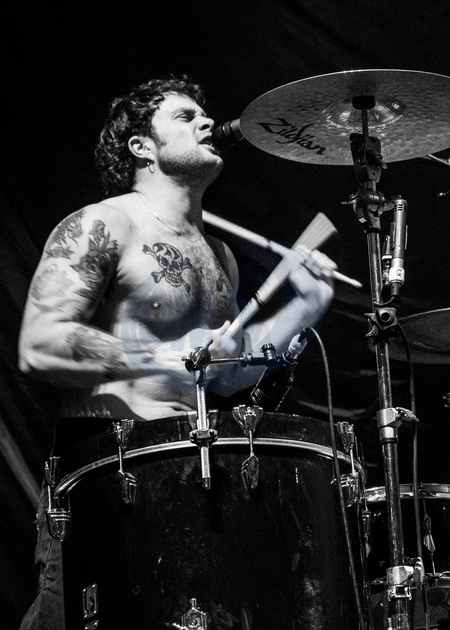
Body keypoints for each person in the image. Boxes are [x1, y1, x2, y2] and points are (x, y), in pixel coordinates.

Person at [18, 75, 335, 629]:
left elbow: (227, 376)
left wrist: (303, 309)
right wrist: (165, 356)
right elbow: (39, 344)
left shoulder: (219, 255)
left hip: (192, 472)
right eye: (185, 117)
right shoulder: (104, 223)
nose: (207, 122)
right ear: (142, 146)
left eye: (203, 114)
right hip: (109, 471)